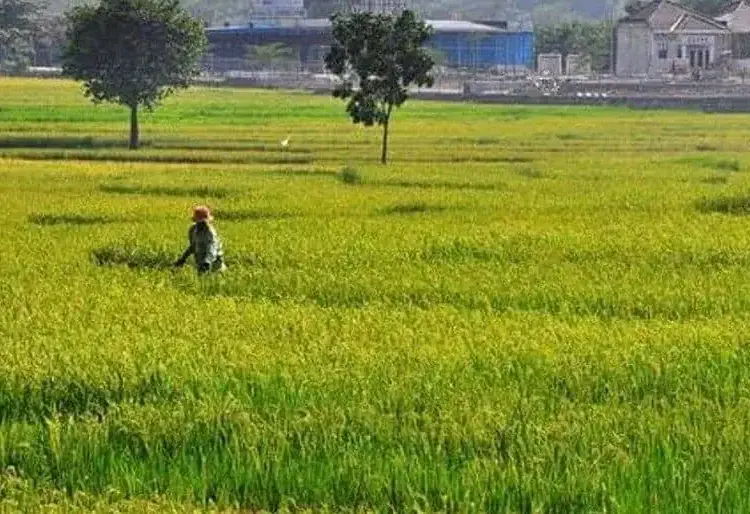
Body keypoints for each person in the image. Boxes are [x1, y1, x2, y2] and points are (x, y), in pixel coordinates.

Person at [173, 205, 226, 274]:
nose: (202, 224)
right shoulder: (193, 229)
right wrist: (183, 258)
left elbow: (212, 249)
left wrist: (206, 262)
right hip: (201, 261)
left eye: (203, 222)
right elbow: (193, 246)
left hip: (214, 264)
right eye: (199, 222)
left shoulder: (210, 232)